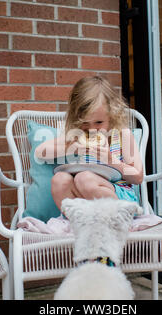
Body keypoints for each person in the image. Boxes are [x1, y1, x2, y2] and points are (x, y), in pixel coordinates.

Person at [34, 75, 143, 213]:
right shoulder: (77, 135)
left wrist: (111, 160)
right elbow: (40, 152)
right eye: (85, 123)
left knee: (83, 178)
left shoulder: (122, 134)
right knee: (59, 179)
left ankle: (114, 220)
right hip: (86, 203)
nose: (91, 129)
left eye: (98, 122)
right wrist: (71, 148)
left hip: (119, 199)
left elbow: (137, 176)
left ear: (112, 115)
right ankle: (81, 223)